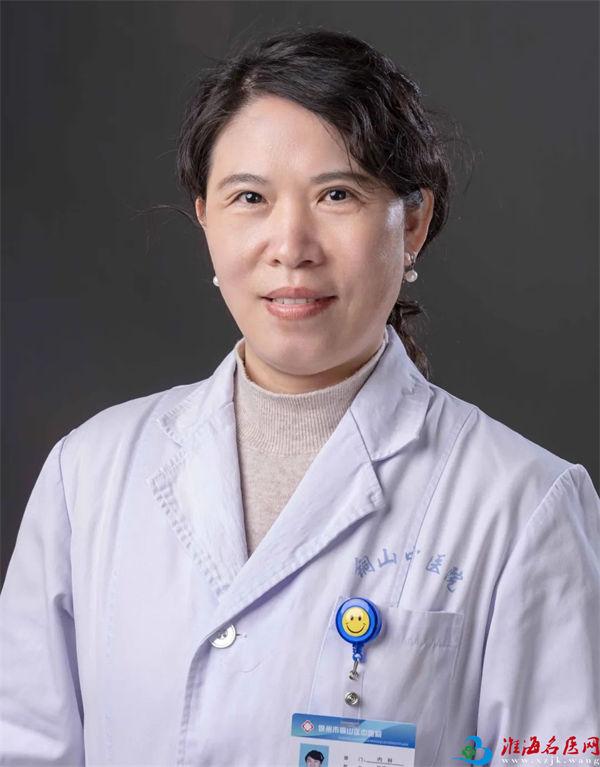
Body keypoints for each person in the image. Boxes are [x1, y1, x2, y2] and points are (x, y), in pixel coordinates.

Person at [1, 26, 599, 767]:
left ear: (413, 221)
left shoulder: (522, 503)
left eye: (337, 194)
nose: (291, 246)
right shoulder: (89, 474)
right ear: (205, 218)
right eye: (249, 197)